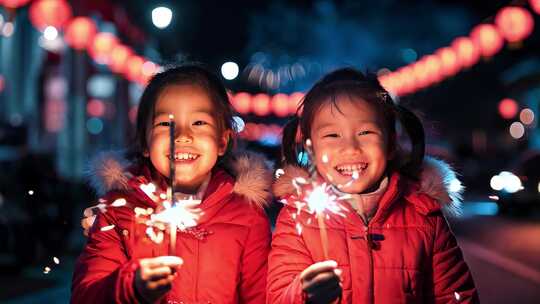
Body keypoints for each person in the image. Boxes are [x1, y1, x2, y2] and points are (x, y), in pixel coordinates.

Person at [267, 68, 478, 303]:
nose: (350, 148)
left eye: (366, 132)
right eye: (332, 135)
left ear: (390, 145)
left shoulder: (425, 216)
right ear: (311, 150)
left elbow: (457, 296)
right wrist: (304, 294)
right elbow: (278, 296)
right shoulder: (297, 217)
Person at [72, 64, 272, 304]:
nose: (182, 136)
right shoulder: (117, 212)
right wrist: (131, 286)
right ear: (145, 143)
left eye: (199, 123)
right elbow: (86, 295)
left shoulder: (247, 217)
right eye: (165, 124)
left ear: (222, 140)